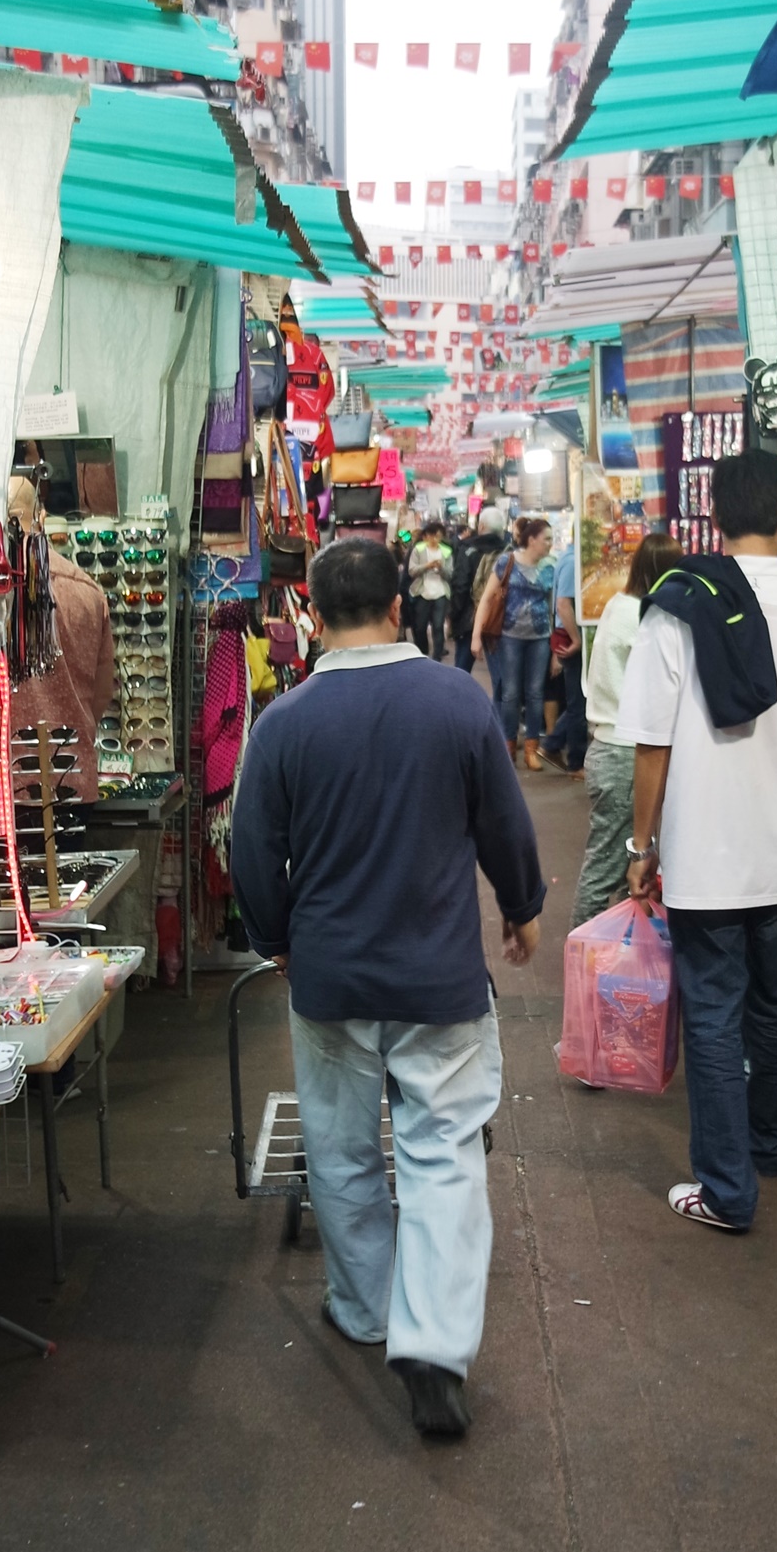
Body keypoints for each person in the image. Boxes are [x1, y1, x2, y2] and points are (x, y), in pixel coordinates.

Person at [230, 539, 544, 1439]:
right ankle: (436, 1343)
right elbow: (503, 824)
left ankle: (366, 1310)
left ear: (315, 618)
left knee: (339, 1151)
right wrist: (522, 910)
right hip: (437, 978)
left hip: (329, 977)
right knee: (443, 1153)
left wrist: (275, 939)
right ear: (401, 609)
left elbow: (253, 852)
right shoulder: (456, 702)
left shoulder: (284, 724)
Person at [617, 451, 777, 1234]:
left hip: (703, 856)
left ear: (713, 516)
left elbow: (650, 745)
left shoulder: (677, 606)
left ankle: (726, 1190)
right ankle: (768, 1141)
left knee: (714, 1012)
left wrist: (640, 845)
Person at [569, 532, 683, 926]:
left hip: (606, 746)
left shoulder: (618, 605)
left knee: (608, 867)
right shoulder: (645, 617)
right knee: (609, 868)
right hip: (625, 753)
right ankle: (582, 954)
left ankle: (595, 957)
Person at [6, 474, 114, 804]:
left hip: (4, 789)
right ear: (40, 518)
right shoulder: (87, 591)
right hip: (72, 785)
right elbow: (101, 695)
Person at [472, 515, 556, 771]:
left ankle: (531, 748)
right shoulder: (506, 561)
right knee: (509, 693)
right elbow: (486, 599)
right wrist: (476, 635)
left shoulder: (550, 566)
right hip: (510, 637)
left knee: (535, 692)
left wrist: (555, 647)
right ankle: (508, 746)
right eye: (547, 539)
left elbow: (552, 608)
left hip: (540, 637)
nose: (551, 544)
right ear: (532, 540)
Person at [539, 538, 586, 775]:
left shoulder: (570, 559)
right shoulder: (572, 562)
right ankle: (575, 761)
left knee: (580, 700)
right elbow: (563, 604)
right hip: (570, 638)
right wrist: (576, 639)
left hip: (571, 636)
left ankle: (554, 743)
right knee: (579, 702)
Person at [449, 507, 507, 676]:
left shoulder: (468, 549)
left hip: (469, 617)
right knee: (500, 677)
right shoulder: (509, 550)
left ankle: (457, 700)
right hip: (499, 618)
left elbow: (460, 584)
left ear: (481, 526)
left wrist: (454, 615)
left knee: (461, 671)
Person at [407, 519, 452, 661]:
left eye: (438, 536)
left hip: (440, 593)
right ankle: (422, 654)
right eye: (431, 535)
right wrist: (427, 566)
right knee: (420, 626)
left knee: (438, 626)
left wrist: (440, 569)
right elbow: (412, 570)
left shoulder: (446, 551)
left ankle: (437, 657)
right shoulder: (418, 550)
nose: (434, 539)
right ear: (425, 536)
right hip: (422, 593)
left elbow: (450, 573)